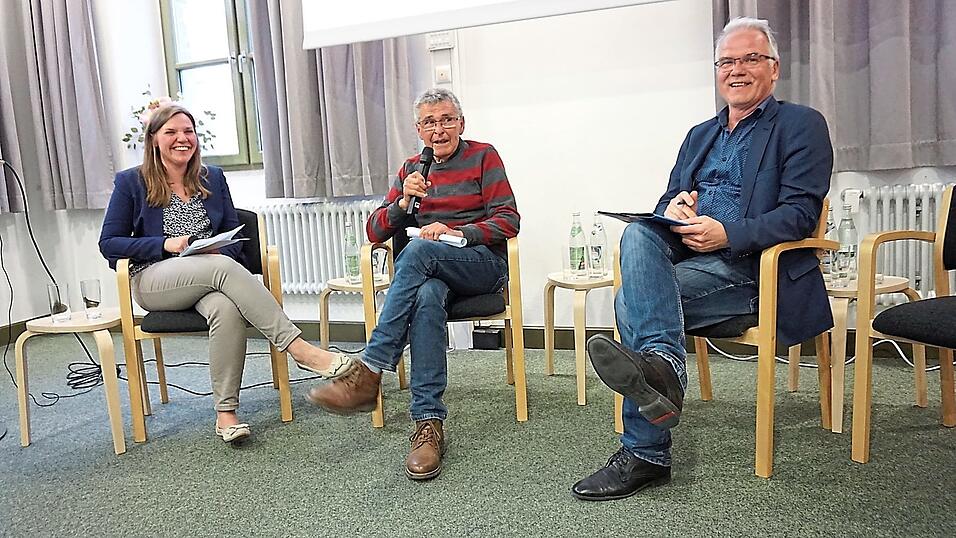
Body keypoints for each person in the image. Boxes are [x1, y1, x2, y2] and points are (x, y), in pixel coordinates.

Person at [571, 17, 834, 501]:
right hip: (688, 261)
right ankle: (665, 371)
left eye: (751, 58)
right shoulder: (700, 134)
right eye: (727, 61)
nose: (737, 70)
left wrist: (726, 233)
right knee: (638, 234)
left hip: (754, 271)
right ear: (717, 71)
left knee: (631, 305)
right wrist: (674, 208)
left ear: (773, 69)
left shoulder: (800, 124)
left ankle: (646, 450)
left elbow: (800, 214)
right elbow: (671, 195)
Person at [99, 104, 354, 444]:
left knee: (226, 307)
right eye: (171, 132)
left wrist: (216, 250)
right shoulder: (131, 182)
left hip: (208, 274)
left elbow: (235, 234)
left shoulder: (212, 177)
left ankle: (226, 414)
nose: (181, 139)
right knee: (220, 269)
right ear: (154, 139)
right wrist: (166, 245)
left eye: (187, 131)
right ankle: (299, 350)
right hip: (154, 279)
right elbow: (110, 243)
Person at [306, 88, 520, 480]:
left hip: (480, 265)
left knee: (420, 250)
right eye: (430, 123)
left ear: (461, 123)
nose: (439, 130)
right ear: (418, 129)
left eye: (447, 120)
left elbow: (509, 220)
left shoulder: (483, 156)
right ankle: (429, 424)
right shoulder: (411, 170)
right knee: (425, 295)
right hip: (432, 275)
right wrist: (402, 204)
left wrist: (456, 232)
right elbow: (374, 231)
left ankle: (369, 369)